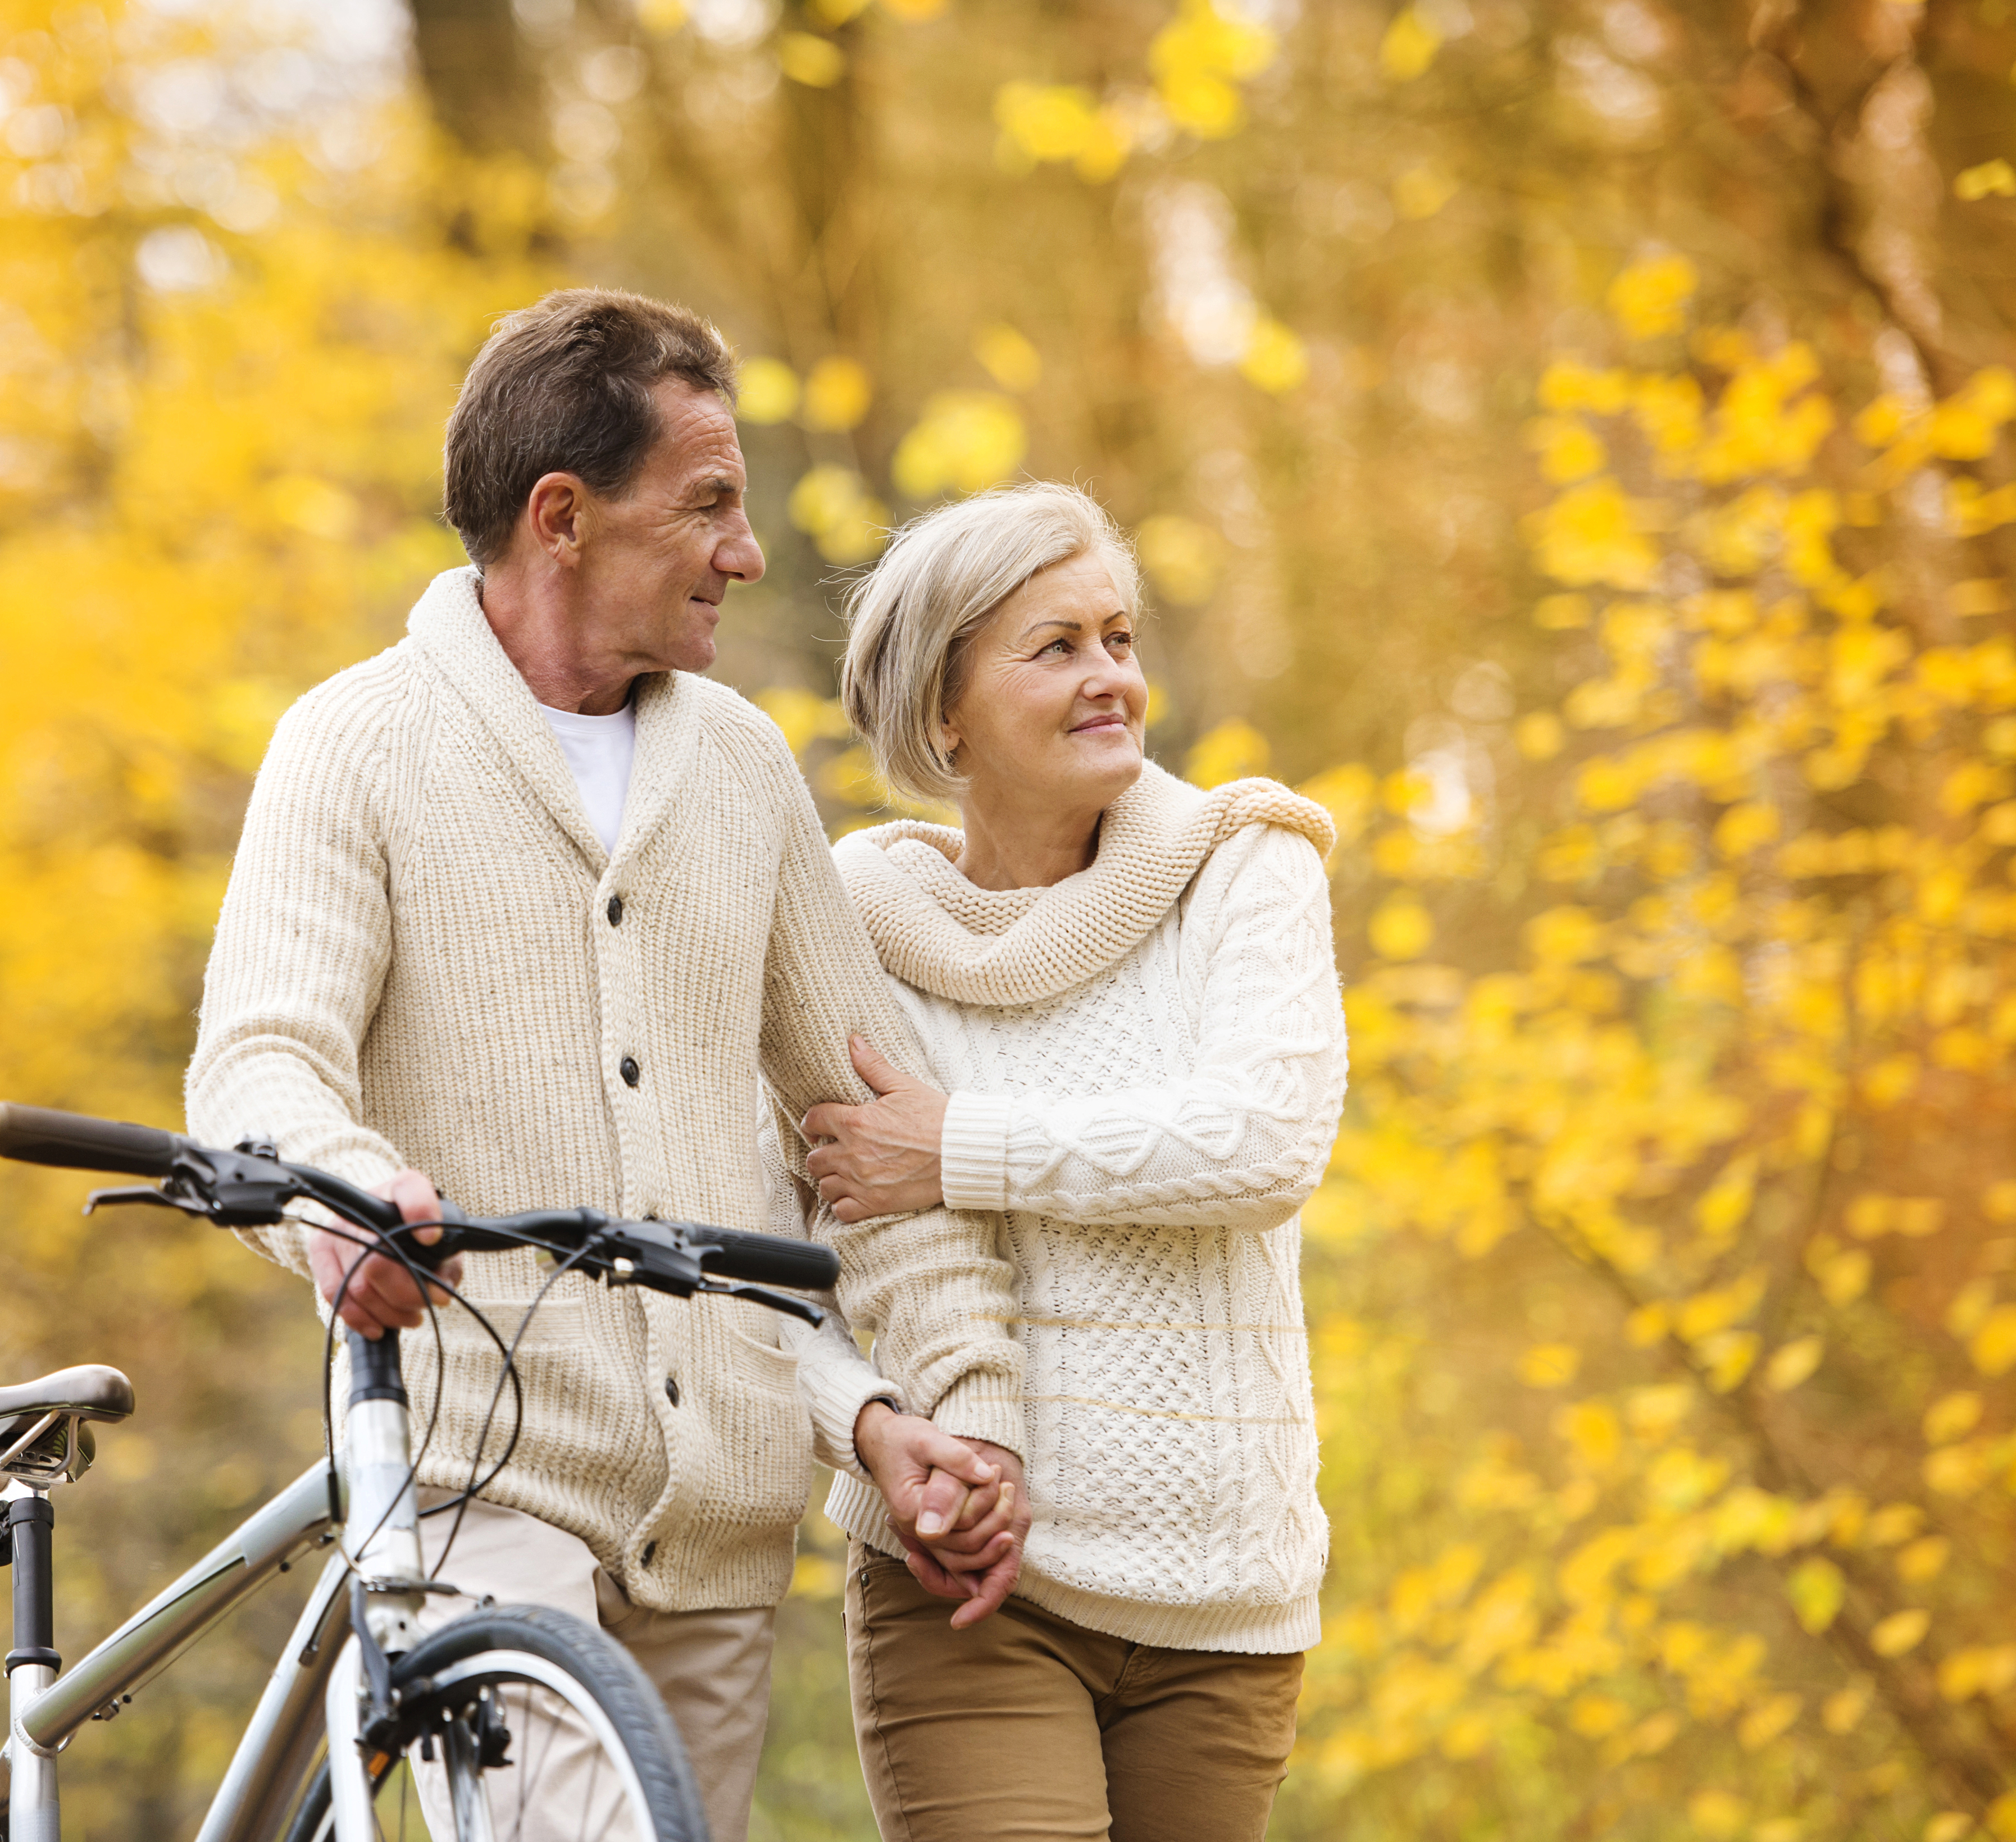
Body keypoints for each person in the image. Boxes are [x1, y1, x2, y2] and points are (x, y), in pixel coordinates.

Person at [183, 289, 1030, 1842]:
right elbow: (261, 1062)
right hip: (479, 1478)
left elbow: (874, 1129)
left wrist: (955, 1406)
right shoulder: (353, 747)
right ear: (561, 516)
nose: (748, 552)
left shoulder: (745, 771)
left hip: (716, 1522)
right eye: (709, 504)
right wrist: (346, 1197)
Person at [777, 481, 1344, 1842]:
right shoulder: (844, 928)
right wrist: (865, 1422)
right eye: (1057, 646)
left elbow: (1263, 1141)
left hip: (1227, 1602)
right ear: (944, 711)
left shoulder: (1245, 865)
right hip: (970, 1592)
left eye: (1119, 638)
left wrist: (954, 1148)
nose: (1113, 680)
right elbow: (753, 1260)